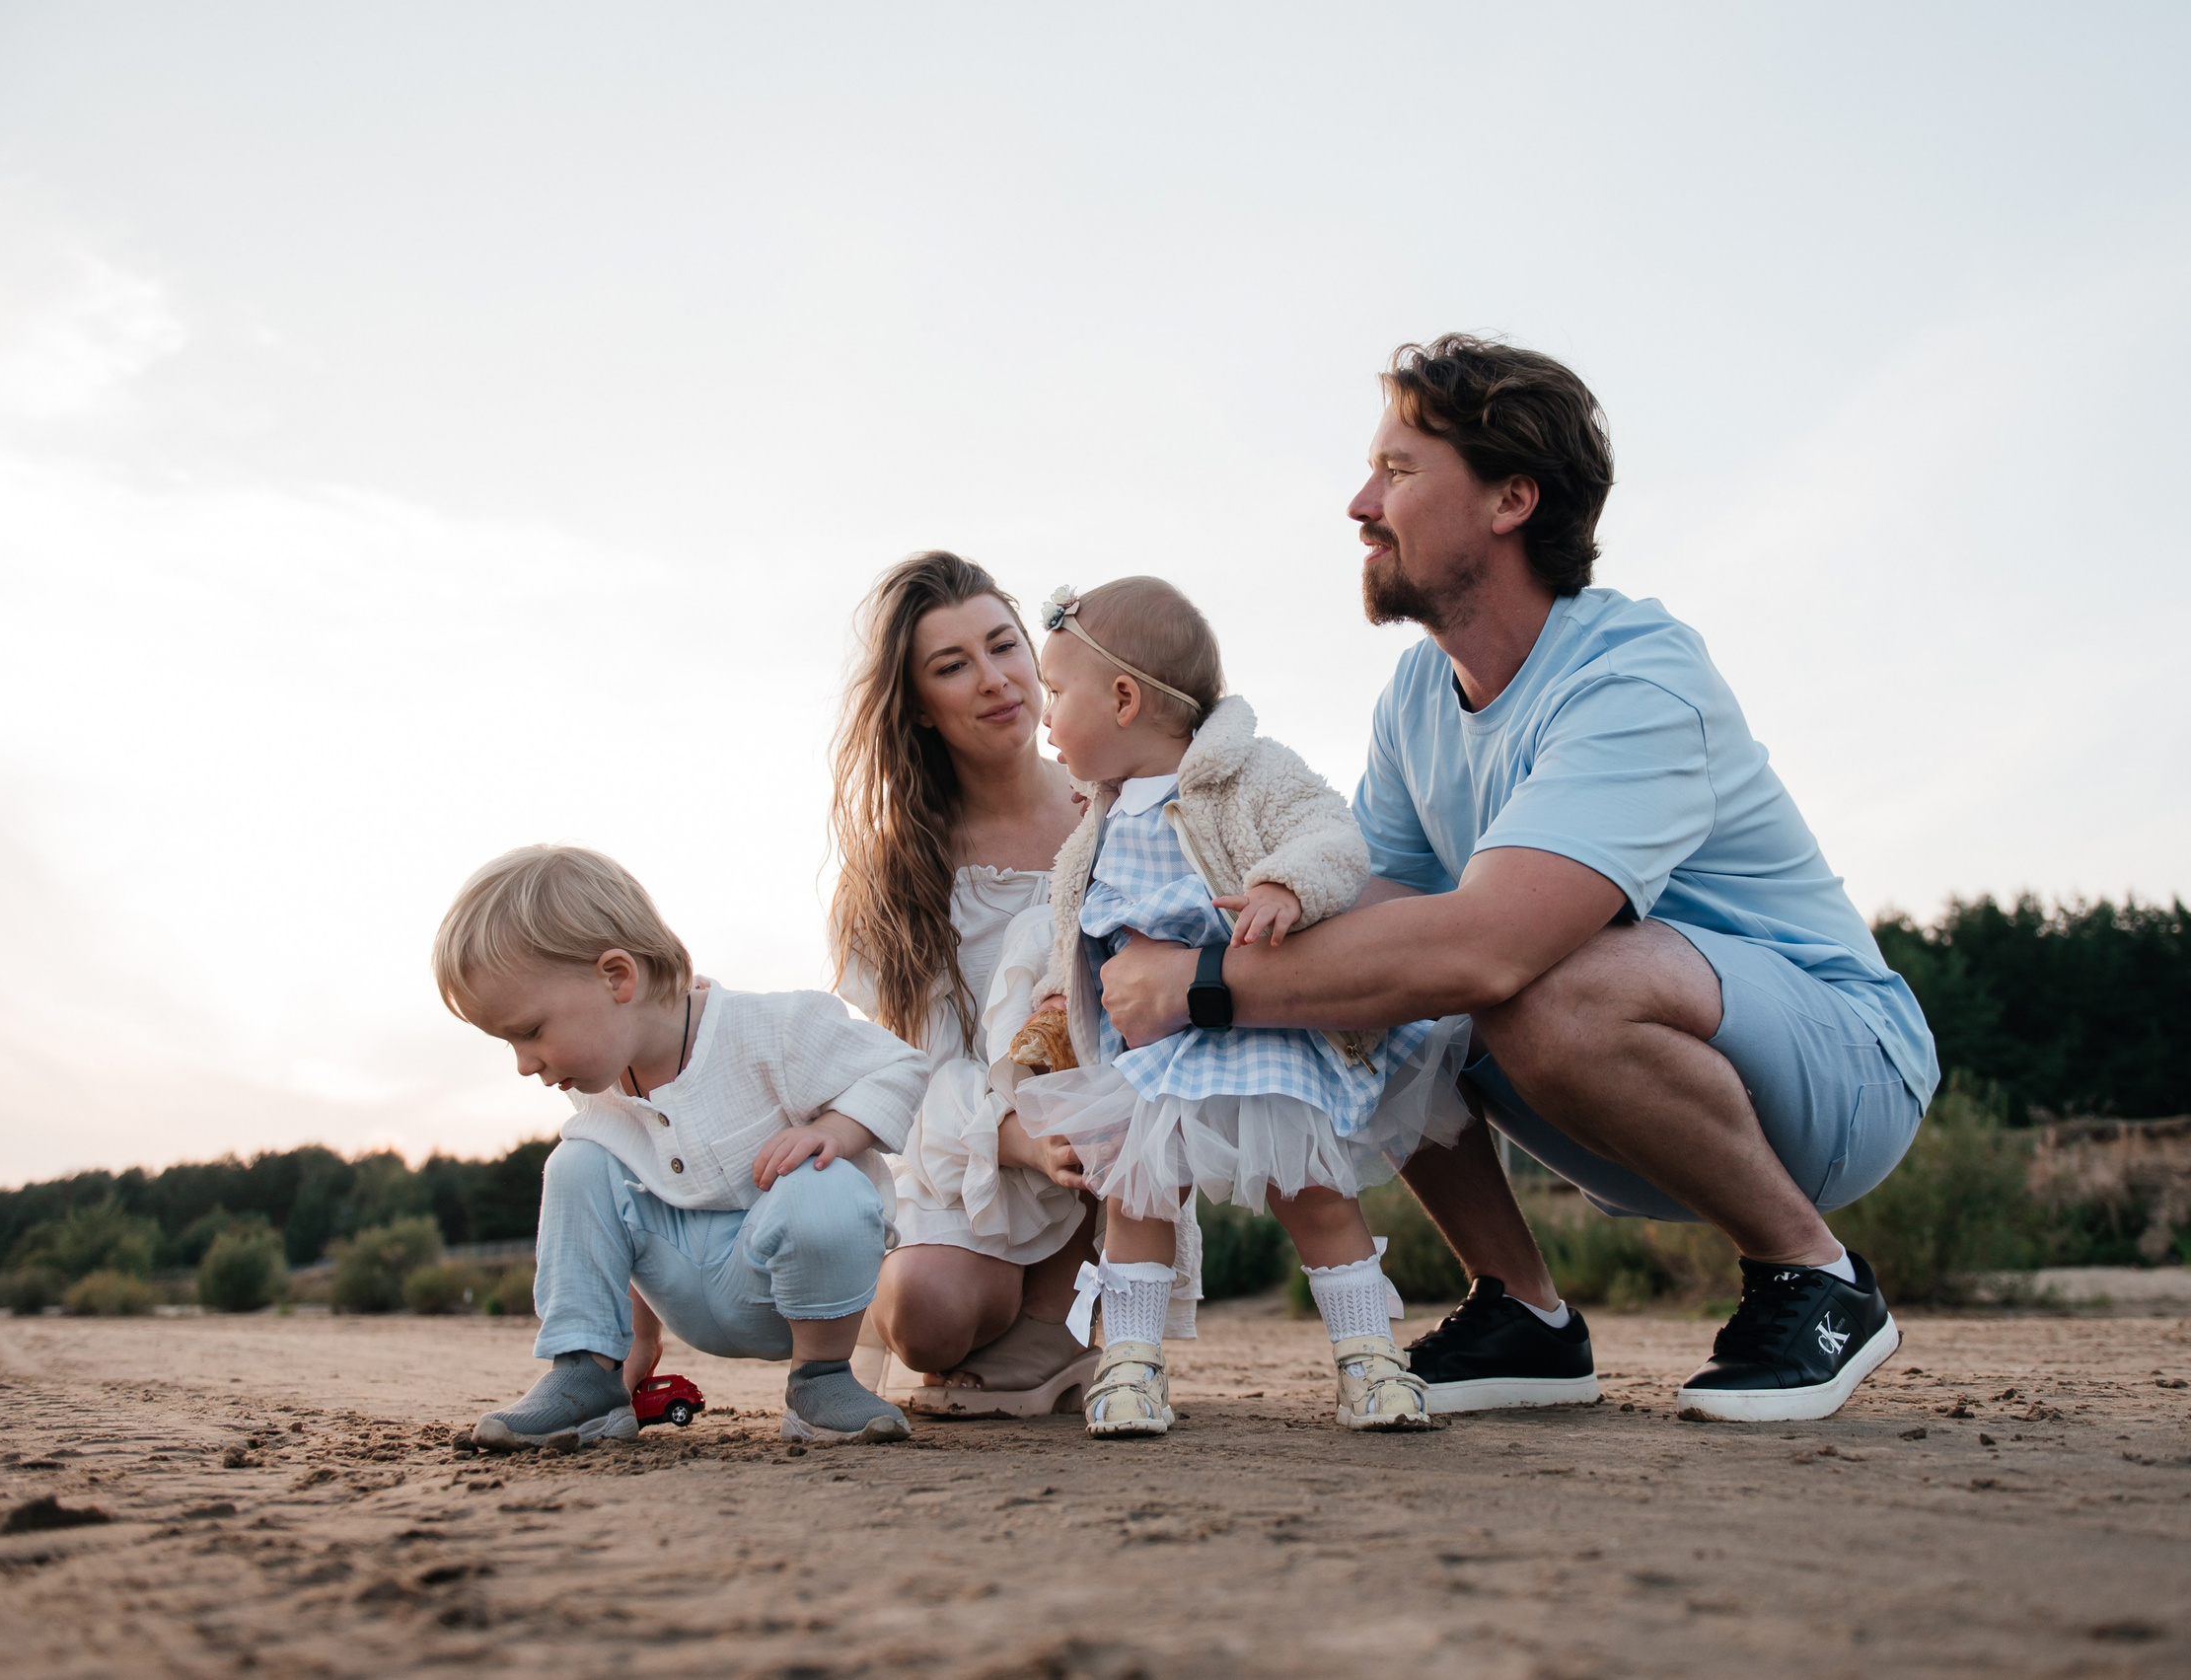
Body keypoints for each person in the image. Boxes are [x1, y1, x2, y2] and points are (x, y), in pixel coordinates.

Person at [1096, 335, 1939, 1424]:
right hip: (1618, 1090)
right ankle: (1525, 1313)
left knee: (1524, 975)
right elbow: (1361, 920)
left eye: (1398, 471)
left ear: (1510, 499)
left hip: (1835, 1073)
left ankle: (1813, 1275)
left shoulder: (1632, 672)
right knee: (1346, 974)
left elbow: (1490, 943)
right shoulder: (1413, 697)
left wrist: (1196, 984)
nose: (1360, 502)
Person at [1010, 576, 1472, 1436]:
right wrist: (1051, 1005)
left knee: (1313, 1189)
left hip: (1255, 1027)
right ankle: (1132, 1365)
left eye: (1055, 692)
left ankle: (1371, 1361)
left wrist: (1285, 885)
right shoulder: (1096, 823)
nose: (1044, 716)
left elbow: (1333, 833)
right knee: (1136, 1199)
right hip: (1154, 1050)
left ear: (1122, 698)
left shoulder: (1246, 773)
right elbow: (1073, 934)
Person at [434, 843, 924, 1448]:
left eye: (530, 1032)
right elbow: (632, 1202)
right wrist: (639, 1341)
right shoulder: (601, 1088)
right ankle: (584, 1378)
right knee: (578, 1162)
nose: (524, 1064)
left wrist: (836, 1131)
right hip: (684, 1292)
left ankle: (821, 1382)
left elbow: (901, 1067)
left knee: (825, 1179)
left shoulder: (772, 1031)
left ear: (617, 977)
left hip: (784, 1292)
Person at [829, 551, 1165, 1419]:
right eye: (952, 666)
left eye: (1003, 646)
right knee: (925, 1319)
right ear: (920, 708)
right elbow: (914, 1070)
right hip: (971, 1141)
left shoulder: (1120, 811)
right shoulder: (900, 871)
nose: (994, 681)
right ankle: (914, 1282)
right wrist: (1012, 1135)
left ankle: (1058, 1322)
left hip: (1103, 1130)